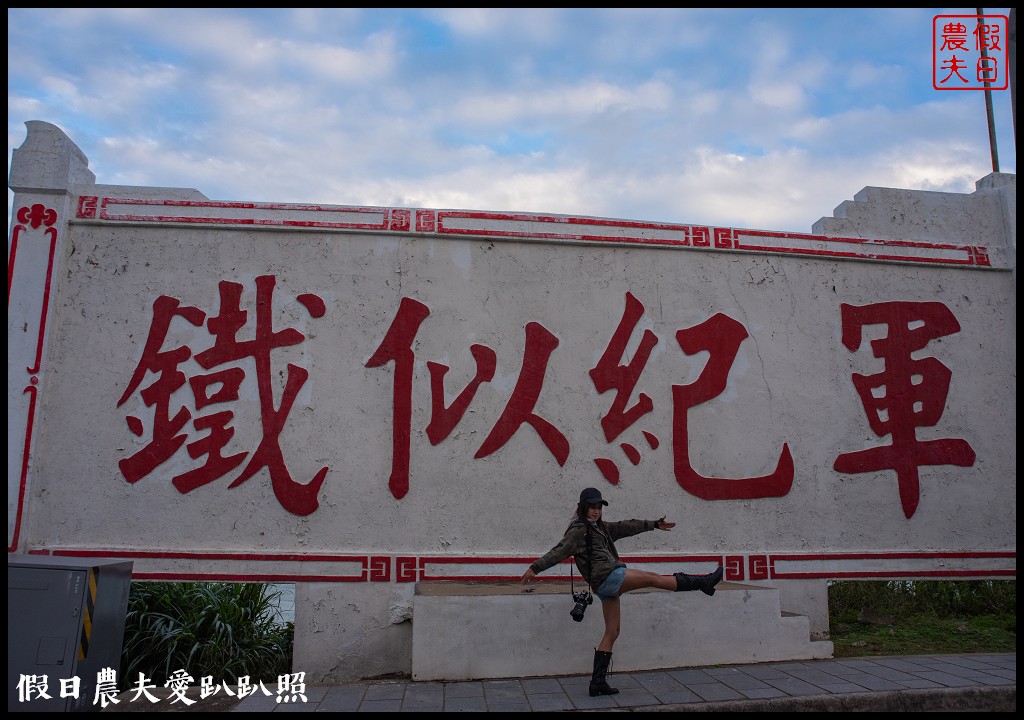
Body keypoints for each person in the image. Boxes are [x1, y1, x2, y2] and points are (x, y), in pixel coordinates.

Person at [521, 486, 724, 697]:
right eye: (592, 507)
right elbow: (559, 551)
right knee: (653, 578)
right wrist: (535, 568)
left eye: (599, 507)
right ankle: (703, 583)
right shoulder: (579, 530)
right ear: (582, 508)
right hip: (609, 576)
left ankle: (597, 683)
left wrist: (654, 524)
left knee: (613, 631)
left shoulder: (600, 527)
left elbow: (626, 526)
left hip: (603, 585)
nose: (596, 511)